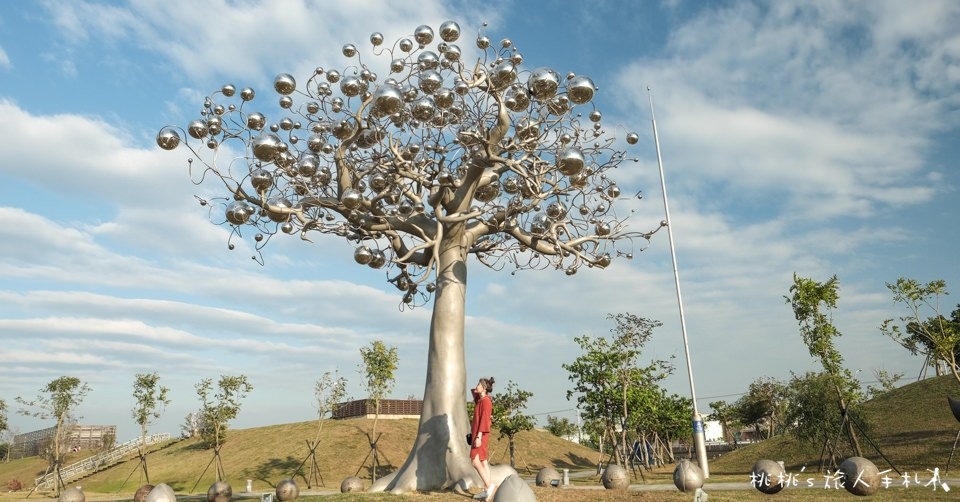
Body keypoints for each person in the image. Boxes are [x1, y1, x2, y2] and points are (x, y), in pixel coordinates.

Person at [470, 377, 495, 500]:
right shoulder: (480, 400)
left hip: (480, 435)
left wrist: (479, 436)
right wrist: (479, 388)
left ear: (484, 388)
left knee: (475, 461)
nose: (476, 386)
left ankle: (489, 486)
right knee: (483, 461)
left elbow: (485, 419)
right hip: (478, 434)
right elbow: (473, 391)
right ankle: (487, 489)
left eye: (479, 384)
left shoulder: (485, 401)